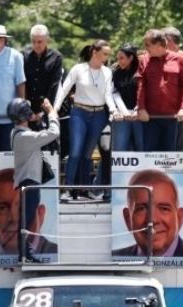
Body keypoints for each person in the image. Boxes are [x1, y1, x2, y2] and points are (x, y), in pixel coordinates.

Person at [53, 40, 120, 200]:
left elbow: (108, 95)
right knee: (75, 152)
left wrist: (113, 110)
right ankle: (68, 189)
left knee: (87, 154)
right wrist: (54, 109)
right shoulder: (79, 69)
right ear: (94, 52)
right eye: (104, 54)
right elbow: (64, 89)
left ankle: (84, 189)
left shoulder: (107, 72)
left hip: (98, 115)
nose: (107, 57)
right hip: (79, 113)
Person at [7, 97, 60, 260]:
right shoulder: (25, 137)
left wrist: (36, 118)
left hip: (26, 181)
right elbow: (54, 133)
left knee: (27, 217)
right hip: (29, 182)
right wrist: (51, 113)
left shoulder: (16, 133)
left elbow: (33, 131)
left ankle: (25, 251)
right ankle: (24, 252)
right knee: (27, 218)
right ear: (25, 116)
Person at [113, 169, 183, 257]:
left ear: (179, 218)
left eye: (164, 209)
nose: (152, 219)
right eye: (141, 209)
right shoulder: (115, 258)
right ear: (127, 219)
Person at [0, 168, 58, 256]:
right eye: (2, 208)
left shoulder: (59, 256)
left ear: (40, 215)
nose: (14, 218)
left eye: (23, 206)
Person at [136, 29, 183, 151]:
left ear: (159, 45)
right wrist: (141, 108)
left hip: (173, 118)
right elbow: (141, 86)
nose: (145, 48)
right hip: (150, 118)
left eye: (148, 45)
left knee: (170, 156)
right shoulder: (144, 60)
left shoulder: (180, 60)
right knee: (149, 155)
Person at [22, 24, 63, 119]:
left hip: (47, 106)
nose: (36, 45)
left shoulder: (56, 57)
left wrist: (45, 111)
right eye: (34, 42)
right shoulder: (24, 55)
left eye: (40, 42)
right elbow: (22, 82)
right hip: (27, 108)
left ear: (47, 40)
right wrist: (26, 110)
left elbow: (54, 85)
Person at [111, 43, 144, 152]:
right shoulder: (116, 73)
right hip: (122, 116)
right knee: (119, 149)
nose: (119, 61)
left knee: (141, 147)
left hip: (139, 115)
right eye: (118, 58)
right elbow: (115, 94)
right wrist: (125, 112)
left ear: (131, 58)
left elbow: (143, 92)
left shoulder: (141, 72)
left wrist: (137, 109)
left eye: (122, 58)